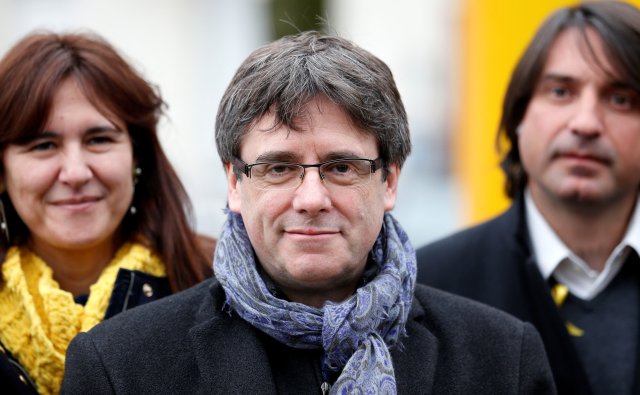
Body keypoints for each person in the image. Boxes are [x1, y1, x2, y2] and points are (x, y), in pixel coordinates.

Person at [60, 31, 555, 394]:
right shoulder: (120, 368)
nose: (311, 198)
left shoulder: (501, 357)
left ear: (390, 180)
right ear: (235, 183)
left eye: (341, 166)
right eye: (279, 168)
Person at [416, 2, 640, 394]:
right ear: (518, 116)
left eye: (620, 98)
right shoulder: (428, 287)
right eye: (560, 91)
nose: (586, 123)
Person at [0, 31, 215, 395]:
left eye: (98, 139)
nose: (76, 172)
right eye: (43, 145)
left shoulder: (221, 287)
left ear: (137, 156)